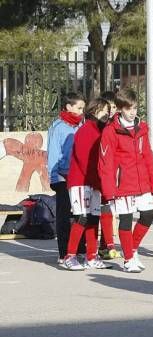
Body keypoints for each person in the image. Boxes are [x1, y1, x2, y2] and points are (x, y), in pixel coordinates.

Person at [98, 89, 153, 273]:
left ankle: (132, 250)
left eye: (134, 107)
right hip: (122, 183)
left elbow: (148, 155)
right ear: (119, 109)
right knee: (125, 220)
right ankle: (127, 259)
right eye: (128, 108)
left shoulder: (142, 128)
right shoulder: (110, 131)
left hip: (142, 181)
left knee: (148, 215)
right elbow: (106, 163)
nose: (132, 112)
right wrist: (109, 190)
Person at [62, 97, 112, 270]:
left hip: (95, 183)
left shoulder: (101, 131)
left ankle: (92, 256)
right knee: (81, 217)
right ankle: (70, 256)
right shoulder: (85, 131)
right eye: (105, 111)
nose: (108, 114)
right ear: (95, 111)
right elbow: (85, 162)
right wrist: (97, 182)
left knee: (93, 219)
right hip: (81, 182)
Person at [47, 92, 86, 265]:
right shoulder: (58, 127)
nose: (81, 111)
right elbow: (53, 154)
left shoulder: (80, 125)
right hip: (62, 176)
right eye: (79, 108)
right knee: (64, 216)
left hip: (78, 175)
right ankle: (64, 252)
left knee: (80, 214)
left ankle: (80, 249)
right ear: (69, 107)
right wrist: (54, 178)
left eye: (83, 108)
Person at [97, 90, 121, 260]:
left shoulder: (118, 125)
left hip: (114, 172)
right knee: (102, 210)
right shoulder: (99, 125)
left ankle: (106, 245)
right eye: (109, 107)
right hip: (101, 173)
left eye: (114, 106)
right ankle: (105, 246)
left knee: (110, 209)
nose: (112, 110)